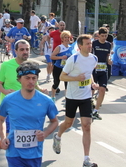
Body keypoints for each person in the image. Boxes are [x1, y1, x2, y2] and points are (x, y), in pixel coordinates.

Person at [0, 61, 59, 166]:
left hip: (35, 153)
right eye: (27, 78)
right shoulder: (9, 100)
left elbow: (55, 121)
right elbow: (1, 119)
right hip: (14, 151)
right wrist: (3, 137)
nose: (31, 81)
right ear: (19, 79)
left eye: (34, 78)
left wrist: (45, 133)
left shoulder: (46, 101)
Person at [52, 34, 99, 167]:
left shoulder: (93, 59)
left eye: (90, 43)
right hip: (72, 97)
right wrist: (76, 78)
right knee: (68, 123)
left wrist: (93, 84)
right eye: (87, 44)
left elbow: (89, 73)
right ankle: (58, 136)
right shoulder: (74, 59)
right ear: (80, 46)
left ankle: (86, 159)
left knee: (87, 126)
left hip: (86, 97)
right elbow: (62, 77)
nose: (90, 46)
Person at [91, 27, 112, 120]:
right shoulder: (94, 44)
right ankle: (88, 105)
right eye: (102, 36)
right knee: (91, 90)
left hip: (103, 70)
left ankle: (96, 110)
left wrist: (109, 61)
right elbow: (89, 55)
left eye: (105, 36)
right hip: (94, 70)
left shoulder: (108, 45)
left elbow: (108, 56)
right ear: (98, 35)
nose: (104, 37)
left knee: (102, 89)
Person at [50, 30, 74, 102]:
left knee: (67, 85)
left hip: (67, 69)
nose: (67, 39)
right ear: (62, 39)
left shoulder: (71, 48)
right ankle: (53, 97)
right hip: (58, 68)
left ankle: (67, 100)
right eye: (65, 37)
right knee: (56, 83)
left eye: (68, 37)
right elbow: (52, 56)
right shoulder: (59, 47)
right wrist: (60, 57)